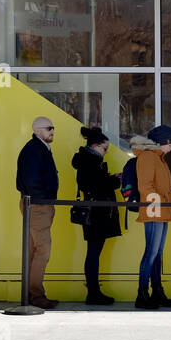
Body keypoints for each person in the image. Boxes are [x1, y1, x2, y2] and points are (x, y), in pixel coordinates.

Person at [72, 126, 121, 305]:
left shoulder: (88, 160)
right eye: (104, 148)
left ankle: (94, 291)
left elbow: (95, 183)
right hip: (96, 215)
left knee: (93, 252)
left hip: (95, 213)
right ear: (94, 146)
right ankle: (93, 293)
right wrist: (115, 180)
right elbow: (96, 185)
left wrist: (111, 178)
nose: (106, 153)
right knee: (93, 253)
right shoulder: (89, 161)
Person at [134, 125, 171, 310]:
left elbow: (156, 185)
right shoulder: (147, 157)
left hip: (160, 208)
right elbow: (145, 187)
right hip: (154, 210)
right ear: (164, 142)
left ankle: (157, 291)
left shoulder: (159, 158)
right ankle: (142, 294)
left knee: (157, 253)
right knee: (151, 253)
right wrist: (160, 202)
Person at [16, 115, 59, 309]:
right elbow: (32, 180)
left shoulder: (38, 148)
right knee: (42, 250)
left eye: (53, 128)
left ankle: (30, 294)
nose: (52, 131)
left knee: (34, 251)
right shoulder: (34, 150)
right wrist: (43, 200)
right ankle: (36, 295)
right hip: (38, 205)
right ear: (37, 130)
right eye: (49, 128)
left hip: (37, 205)